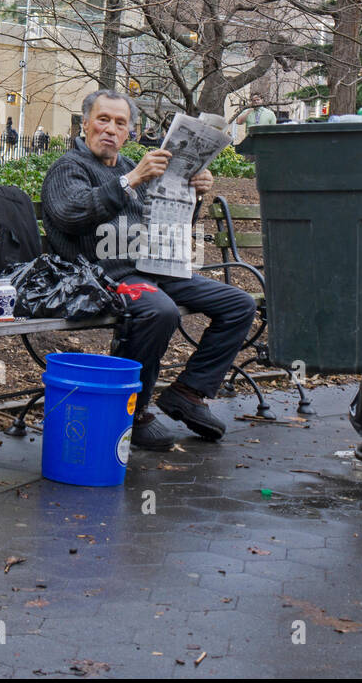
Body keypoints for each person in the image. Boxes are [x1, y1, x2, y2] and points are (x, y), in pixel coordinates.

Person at [41, 89, 258, 452]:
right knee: (159, 310)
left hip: (153, 267)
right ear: (85, 124)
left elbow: (166, 224)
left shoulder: (130, 166)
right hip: (99, 274)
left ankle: (188, 393)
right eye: (103, 120)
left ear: (130, 132)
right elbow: (71, 214)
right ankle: (132, 412)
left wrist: (194, 192)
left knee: (239, 304)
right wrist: (130, 182)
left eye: (120, 123)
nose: (110, 129)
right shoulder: (69, 167)